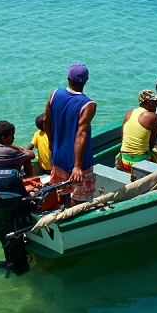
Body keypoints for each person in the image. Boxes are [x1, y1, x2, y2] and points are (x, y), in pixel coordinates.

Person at [44, 63, 97, 206]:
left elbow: (46, 120)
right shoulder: (88, 105)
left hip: (58, 155)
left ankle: (61, 213)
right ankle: (72, 221)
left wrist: (51, 141)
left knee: (61, 190)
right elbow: (81, 135)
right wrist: (77, 166)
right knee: (79, 197)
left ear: (68, 78)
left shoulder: (55, 94)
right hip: (80, 161)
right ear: (86, 81)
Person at [116, 90, 157, 171]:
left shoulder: (129, 113)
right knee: (156, 149)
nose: (156, 105)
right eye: (152, 102)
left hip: (124, 163)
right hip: (141, 163)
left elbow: (123, 140)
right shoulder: (153, 117)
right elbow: (151, 145)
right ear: (144, 103)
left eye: (156, 102)